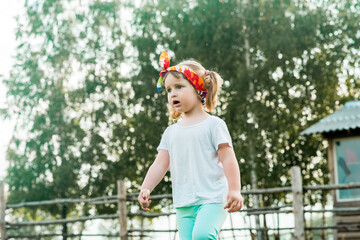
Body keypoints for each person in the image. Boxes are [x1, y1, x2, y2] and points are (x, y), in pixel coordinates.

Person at [138, 51, 243, 240]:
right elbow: (160, 164)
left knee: (202, 236)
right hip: (183, 202)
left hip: (213, 199)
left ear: (197, 88)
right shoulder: (171, 132)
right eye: (169, 90)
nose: (173, 93)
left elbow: (228, 158)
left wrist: (235, 189)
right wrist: (146, 187)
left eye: (179, 86)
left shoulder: (214, 125)